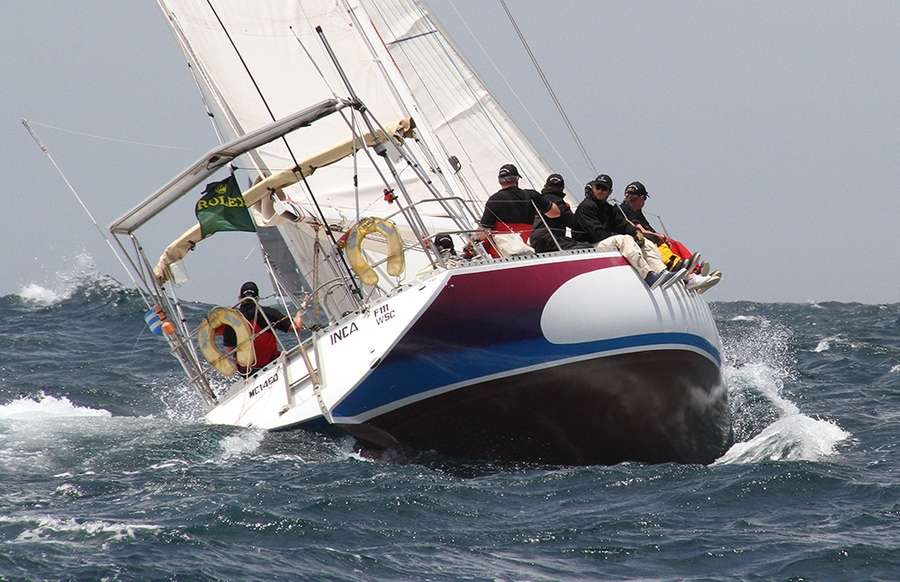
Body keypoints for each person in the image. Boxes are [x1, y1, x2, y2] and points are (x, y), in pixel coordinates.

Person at [573, 174, 676, 289]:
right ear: (593, 188)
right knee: (624, 239)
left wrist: (636, 232)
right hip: (588, 245)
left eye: (604, 188)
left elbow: (621, 223)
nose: (600, 191)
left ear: (610, 192)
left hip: (602, 240)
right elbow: (597, 234)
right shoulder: (586, 207)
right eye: (598, 187)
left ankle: (662, 272)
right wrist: (619, 235)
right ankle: (648, 275)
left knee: (644, 242)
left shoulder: (607, 208)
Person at [618, 181, 721, 292]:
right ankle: (688, 273)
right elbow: (641, 230)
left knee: (673, 242)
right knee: (663, 240)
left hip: (644, 236)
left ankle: (695, 271)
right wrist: (660, 237)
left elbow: (649, 230)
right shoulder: (625, 208)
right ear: (641, 198)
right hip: (636, 239)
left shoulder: (637, 212)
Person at [475, 164, 560, 257]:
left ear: (499, 181)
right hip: (520, 250)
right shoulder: (532, 196)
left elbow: (481, 234)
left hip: (497, 254)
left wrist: (466, 248)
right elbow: (555, 213)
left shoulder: (494, 200)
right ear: (516, 179)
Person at [223, 281, 303, 372]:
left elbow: (229, 351)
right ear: (258, 297)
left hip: (248, 372)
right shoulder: (269, 313)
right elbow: (295, 328)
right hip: (271, 364)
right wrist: (301, 309)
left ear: (240, 297)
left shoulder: (230, 322)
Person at [529, 173, 592, 253]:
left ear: (545, 186)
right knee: (587, 247)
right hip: (548, 239)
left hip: (536, 240)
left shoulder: (540, 200)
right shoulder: (556, 201)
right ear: (562, 189)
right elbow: (572, 222)